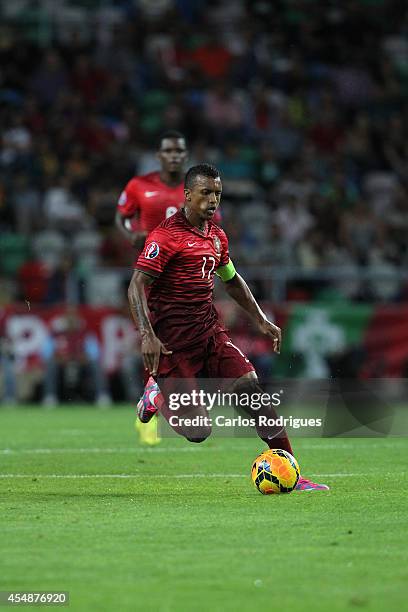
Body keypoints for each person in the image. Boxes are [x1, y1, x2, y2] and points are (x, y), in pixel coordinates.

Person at [127, 164, 329, 491]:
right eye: (206, 192)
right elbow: (136, 285)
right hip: (173, 345)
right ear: (187, 194)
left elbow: (232, 281)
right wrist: (147, 334)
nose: (213, 199)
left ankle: (294, 472)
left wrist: (260, 319)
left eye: (217, 193)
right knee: (198, 432)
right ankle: (156, 395)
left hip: (210, 334)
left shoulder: (217, 236)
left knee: (252, 392)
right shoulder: (165, 236)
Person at [116, 131, 219, 444]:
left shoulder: (200, 189)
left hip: (186, 277)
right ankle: (157, 391)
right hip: (152, 272)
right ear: (159, 156)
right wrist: (130, 235)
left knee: (174, 342)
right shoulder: (139, 186)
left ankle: (155, 391)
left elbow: (210, 232)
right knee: (160, 337)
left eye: (179, 151)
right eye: (168, 151)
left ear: (185, 156)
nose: (174, 156)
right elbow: (120, 217)